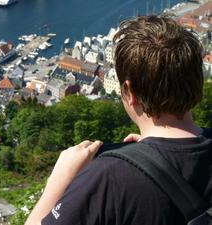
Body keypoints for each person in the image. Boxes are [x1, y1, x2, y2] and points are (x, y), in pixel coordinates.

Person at [25, 15, 212, 225]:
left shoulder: (108, 178)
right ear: (198, 80)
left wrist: (58, 181)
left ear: (129, 93)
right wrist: (150, 154)